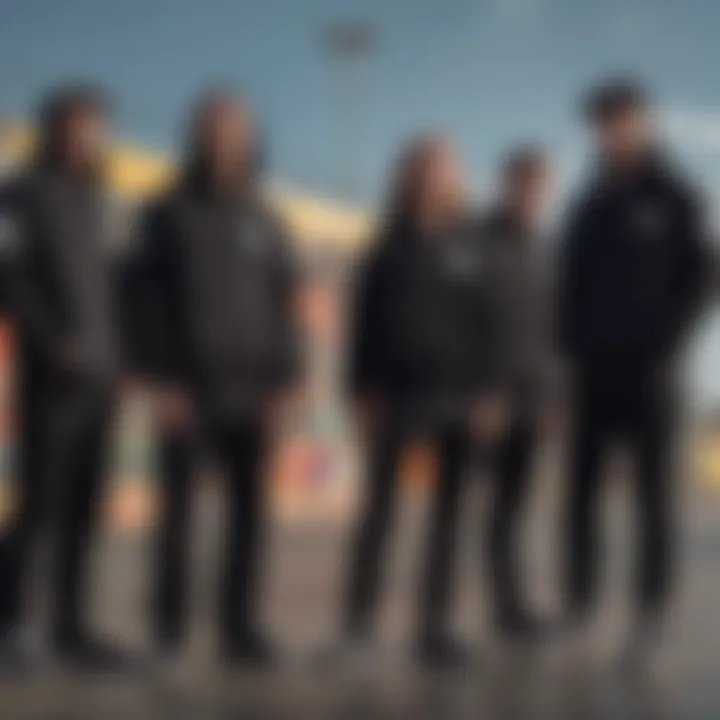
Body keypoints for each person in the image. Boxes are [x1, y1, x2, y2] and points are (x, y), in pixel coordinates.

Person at [127, 90, 298, 667]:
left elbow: (283, 305)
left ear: (248, 139)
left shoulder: (266, 219)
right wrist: (160, 380)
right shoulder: (166, 212)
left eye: (233, 129)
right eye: (212, 129)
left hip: (254, 394)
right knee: (177, 518)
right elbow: (142, 300)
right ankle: (169, 632)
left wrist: (286, 384)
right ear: (196, 137)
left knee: (251, 518)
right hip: (188, 391)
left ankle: (240, 628)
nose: (223, 139)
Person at [336, 136, 508, 669]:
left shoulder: (474, 243)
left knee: (448, 521)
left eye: (442, 168)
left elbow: (491, 325)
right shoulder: (386, 245)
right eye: (423, 168)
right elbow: (362, 327)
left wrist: (490, 393)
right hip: (396, 398)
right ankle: (357, 630)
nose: (433, 177)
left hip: (459, 398)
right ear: (407, 177)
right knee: (378, 517)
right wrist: (360, 393)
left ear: (455, 178)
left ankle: (433, 629)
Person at [557, 78, 711, 662]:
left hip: (653, 376)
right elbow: (568, 293)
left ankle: (650, 617)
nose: (611, 129)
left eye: (622, 117)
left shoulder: (675, 195)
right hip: (592, 375)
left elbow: (702, 278)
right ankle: (581, 606)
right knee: (581, 495)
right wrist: (568, 360)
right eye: (602, 120)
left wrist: (665, 343)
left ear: (645, 122)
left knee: (653, 500)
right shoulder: (588, 206)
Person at [0, 86, 130, 669]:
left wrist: (123, 360)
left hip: (103, 383)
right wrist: (53, 339)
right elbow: (8, 277)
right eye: (76, 124)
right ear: (53, 129)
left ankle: (73, 628)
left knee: (85, 508)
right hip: (52, 380)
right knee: (41, 506)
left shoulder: (102, 201)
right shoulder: (20, 194)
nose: (86, 135)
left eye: (95, 125)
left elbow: (120, 290)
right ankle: (14, 628)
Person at [478, 146, 554, 641]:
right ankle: (433, 617)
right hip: (482, 402)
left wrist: (556, 399)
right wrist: (480, 390)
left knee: (510, 510)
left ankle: (510, 608)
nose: (530, 195)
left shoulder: (548, 253)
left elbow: (561, 334)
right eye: (522, 184)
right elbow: (460, 323)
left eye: (540, 187)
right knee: (456, 509)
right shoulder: (477, 242)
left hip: (533, 403)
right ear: (506, 184)